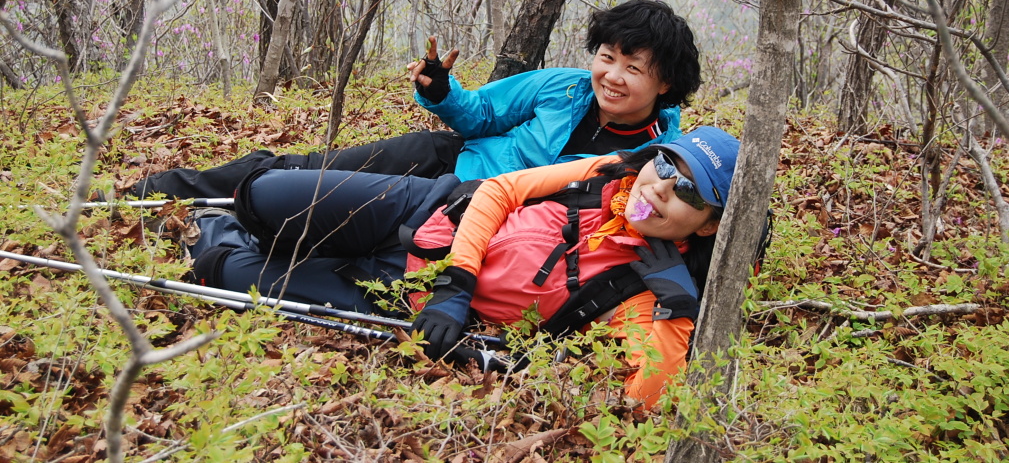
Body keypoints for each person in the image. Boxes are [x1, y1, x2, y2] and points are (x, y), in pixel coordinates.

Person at [188, 126, 740, 409]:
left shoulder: (644, 288)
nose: (661, 186)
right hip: (425, 210)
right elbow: (502, 189)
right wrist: (459, 279)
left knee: (228, 272)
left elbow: (643, 398)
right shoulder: (607, 173)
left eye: (689, 188)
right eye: (667, 163)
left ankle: (212, 235)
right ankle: (252, 223)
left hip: (407, 296)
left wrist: (677, 306)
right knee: (263, 195)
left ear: (709, 224)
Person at [124, 0, 702, 199]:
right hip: (446, 158)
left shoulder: (662, 153)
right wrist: (442, 89)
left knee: (331, 200)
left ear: (666, 83)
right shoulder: (565, 87)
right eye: (607, 56)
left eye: (634, 67)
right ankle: (165, 191)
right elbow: (482, 114)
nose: (612, 75)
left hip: (470, 203)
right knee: (311, 168)